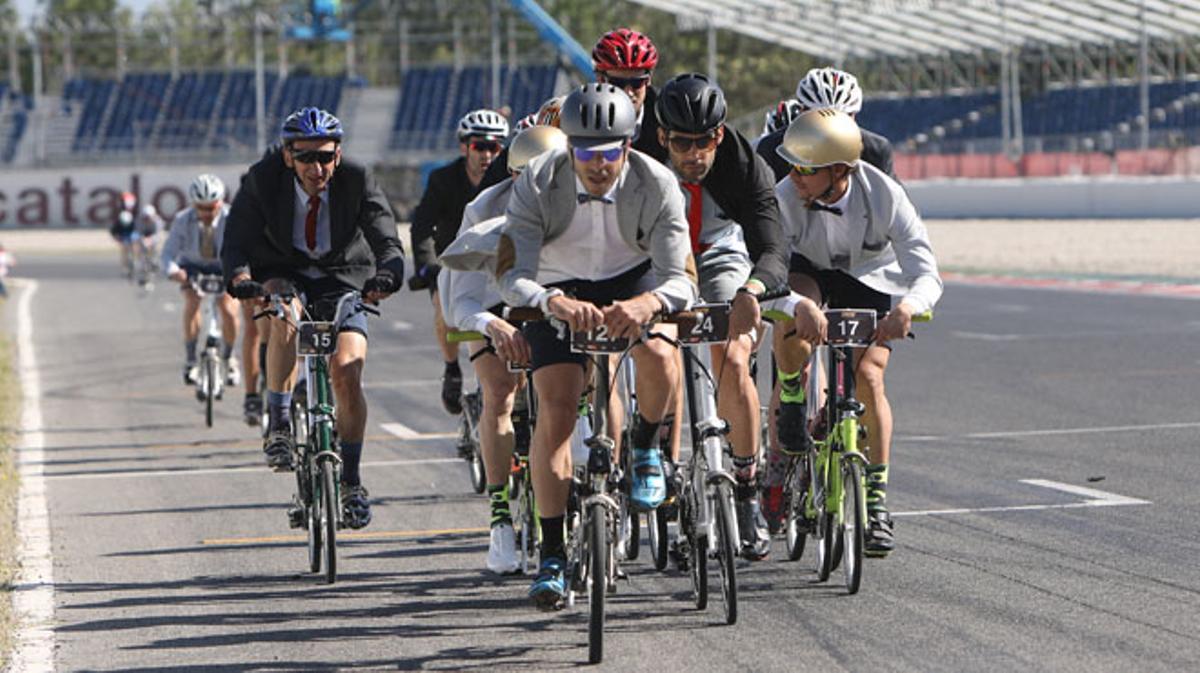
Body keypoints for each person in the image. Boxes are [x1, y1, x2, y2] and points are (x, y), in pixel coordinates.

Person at [496, 83, 696, 608]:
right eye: (586, 151)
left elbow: (682, 278)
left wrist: (649, 305)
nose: (599, 164)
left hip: (631, 280)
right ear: (567, 146)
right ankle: (553, 556)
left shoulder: (658, 183)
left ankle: (647, 446)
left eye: (610, 152)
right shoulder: (538, 181)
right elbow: (510, 275)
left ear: (629, 146)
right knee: (557, 411)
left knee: (658, 352)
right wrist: (550, 301)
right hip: (557, 289)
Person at [222, 107, 405, 530]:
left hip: (345, 277)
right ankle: (280, 423)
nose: (316, 167)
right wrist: (241, 277)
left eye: (324, 156)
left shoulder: (358, 180)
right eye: (304, 157)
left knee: (346, 371)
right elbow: (236, 240)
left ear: (338, 155)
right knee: (284, 311)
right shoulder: (262, 179)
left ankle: (352, 482)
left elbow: (386, 236)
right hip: (283, 272)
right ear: (287, 156)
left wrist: (389, 272)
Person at [774, 109, 942, 557]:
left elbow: (927, 272)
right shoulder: (786, 195)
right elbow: (764, 274)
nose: (794, 177)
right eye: (790, 166)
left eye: (805, 169)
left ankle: (876, 498)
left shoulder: (886, 195)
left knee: (869, 378)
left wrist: (908, 308)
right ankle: (792, 394)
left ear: (840, 170)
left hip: (870, 277)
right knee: (793, 323)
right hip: (807, 272)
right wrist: (798, 305)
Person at [653, 72, 797, 560]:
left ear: (720, 133)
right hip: (657, 258)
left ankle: (745, 487)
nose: (694, 153)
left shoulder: (743, 164)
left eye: (706, 140)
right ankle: (658, 469)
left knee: (735, 357)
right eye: (681, 143)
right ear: (660, 138)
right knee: (656, 355)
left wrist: (753, 292)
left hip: (720, 255)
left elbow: (774, 248)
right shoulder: (639, 165)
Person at [438, 125, 569, 575]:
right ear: (510, 177)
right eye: (524, 181)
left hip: (549, 299)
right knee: (499, 390)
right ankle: (499, 520)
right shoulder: (483, 209)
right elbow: (463, 302)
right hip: (489, 302)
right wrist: (494, 326)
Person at [408, 109, 509, 416]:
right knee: (443, 299)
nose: (487, 154)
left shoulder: (509, 177)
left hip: (498, 262)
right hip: (454, 262)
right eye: (480, 146)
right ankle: (452, 368)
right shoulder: (443, 179)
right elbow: (422, 227)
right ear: (464, 147)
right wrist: (427, 267)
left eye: (495, 147)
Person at [161, 174, 242, 386]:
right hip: (193, 267)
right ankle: (190, 358)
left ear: (220, 203)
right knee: (192, 301)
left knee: (228, 307)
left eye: (211, 207)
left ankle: (229, 356)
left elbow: (246, 248)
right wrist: (174, 271)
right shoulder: (182, 220)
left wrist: (243, 273)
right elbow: (168, 254)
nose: (206, 213)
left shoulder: (233, 217)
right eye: (201, 207)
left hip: (225, 266)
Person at [756, 67, 896, 182]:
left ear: (854, 116)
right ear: (802, 113)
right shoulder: (772, 149)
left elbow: (895, 207)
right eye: (819, 123)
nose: (829, 133)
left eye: (840, 123)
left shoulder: (876, 152)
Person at [592, 27, 667, 163]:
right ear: (601, 80)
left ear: (648, 80)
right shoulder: (580, 112)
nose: (628, 92)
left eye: (637, 82)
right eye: (617, 83)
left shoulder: (667, 115)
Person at [109, 191, 139, 279]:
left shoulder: (133, 217)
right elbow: (114, 231)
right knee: (124, 248)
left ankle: (134, 259)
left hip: (132, 232)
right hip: (123, 233)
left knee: (134, 243)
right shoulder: (119, 219)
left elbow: (137, 229)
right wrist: (117, 238)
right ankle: (125, 264)